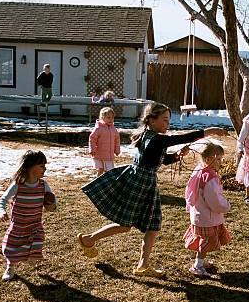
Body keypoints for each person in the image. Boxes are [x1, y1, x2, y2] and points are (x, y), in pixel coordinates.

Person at [77, 102, 228, 278]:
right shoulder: (155, 138)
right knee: (128, 225)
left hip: (145, 183)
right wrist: (207, 132)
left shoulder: (151, 137)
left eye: (168, 120)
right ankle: (90, 240)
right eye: (164, 120)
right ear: (151, 120)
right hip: (141, 184)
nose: (167, 124)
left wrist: (177, 156)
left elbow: (161, 160)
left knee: (152, 225)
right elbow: (177, 139)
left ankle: (142, 264)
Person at [0, 150, 57, 282]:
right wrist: (1, 211)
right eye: (41, 166)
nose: (45, 168)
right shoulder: (18, 185)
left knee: (37, 240)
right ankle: (10, 266)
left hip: (35, 224)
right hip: (18, 224)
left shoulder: (44, 185)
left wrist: (51, 203)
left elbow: (52, 204)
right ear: (30, 166)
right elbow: (3, 199)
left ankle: (32, 257)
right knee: (10, 249)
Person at [183, 141, 231, 277]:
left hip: (198, 213)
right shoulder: (209, 178)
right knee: (205, 242)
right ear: (209, 159)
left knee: (202, 241)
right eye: (219, 159)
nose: (221, 162)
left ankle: (201, 261)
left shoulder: (199, 170)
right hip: (207, 216)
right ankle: (197, 266)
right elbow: (214, 199)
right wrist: (225, 206)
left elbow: (189, 191)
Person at [89, 107, 121, 177]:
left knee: (109, 170)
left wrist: (117, 149)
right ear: (102, 118)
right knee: (101, 169)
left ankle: (107, 183)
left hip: (109, 154)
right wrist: (92, 149)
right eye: (108, 117)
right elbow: (92, 139)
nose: (111, 119)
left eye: (112, 118)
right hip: (100, 153)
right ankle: (97, 182)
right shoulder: (98, 128)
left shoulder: (113, 129)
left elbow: (117, 140)